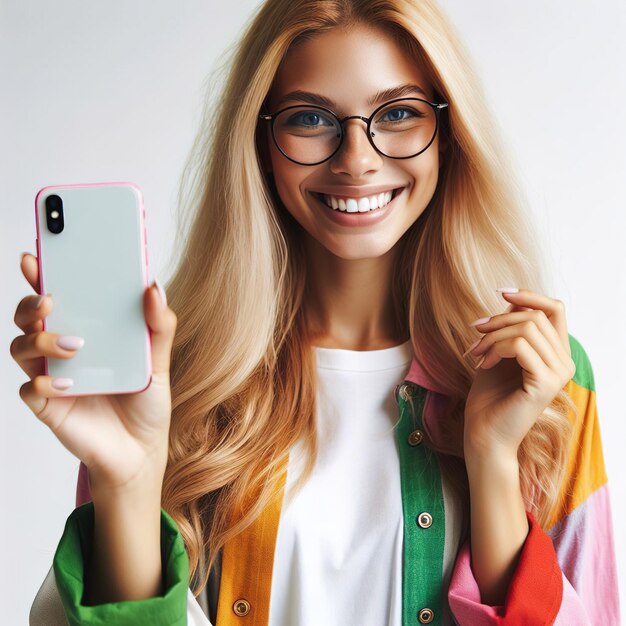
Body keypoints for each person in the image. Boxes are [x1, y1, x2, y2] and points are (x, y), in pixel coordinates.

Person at [16, 0, 619, 624]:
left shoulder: (542, 375)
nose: (356, 159)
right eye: (309, 118)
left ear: (451, 134)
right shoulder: (171, 379)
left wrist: (493, 461)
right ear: (260, 142)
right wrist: (127, 482)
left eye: (401, 113)